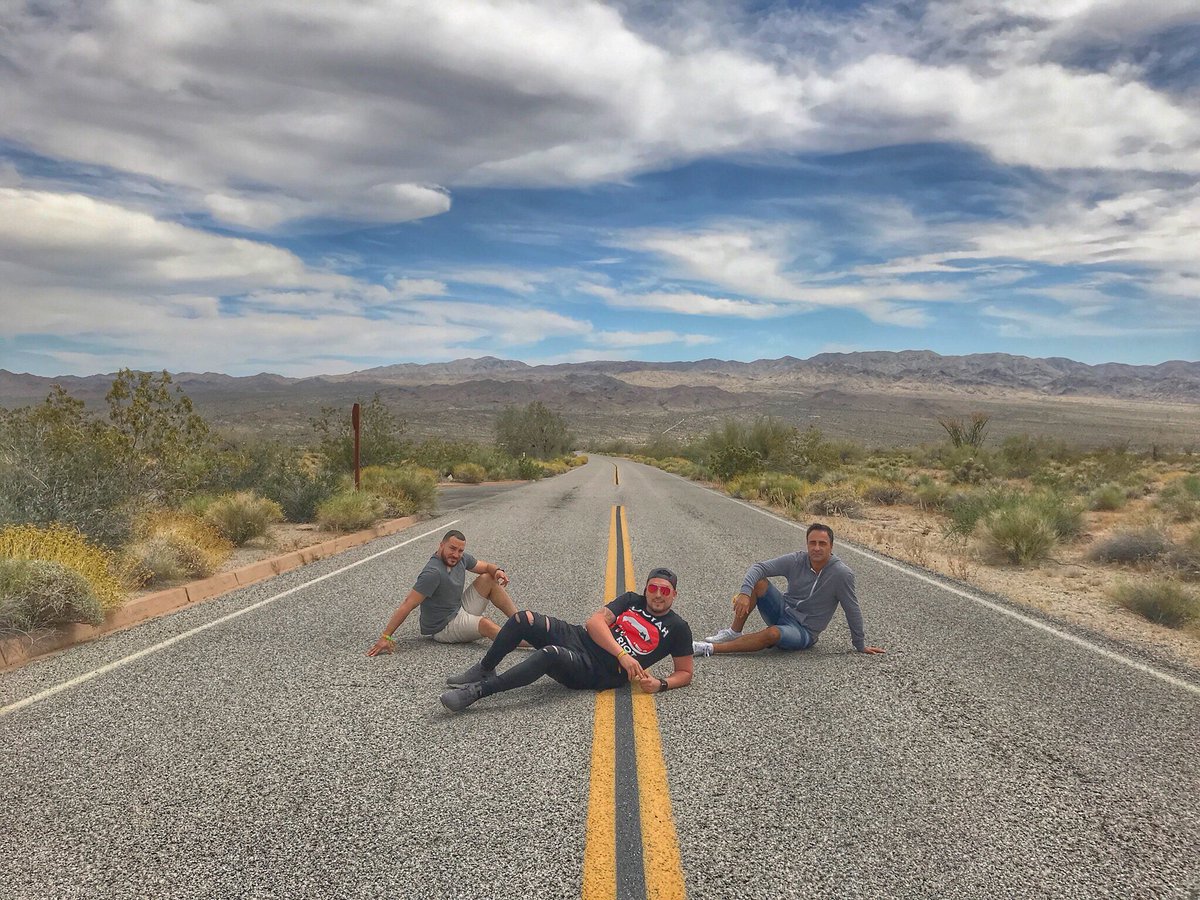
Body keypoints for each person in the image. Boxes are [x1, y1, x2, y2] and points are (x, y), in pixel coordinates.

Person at [439, 567, 694, 711]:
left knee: (549, 655)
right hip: (581, 638)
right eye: (653, 588)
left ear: (674, 594)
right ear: (646, 589)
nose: (657, 595)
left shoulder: (678, 628)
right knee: (523, 619)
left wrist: (661, 684)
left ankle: (478, 691)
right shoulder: (631, 600)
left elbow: (685, 672)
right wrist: (623, 654)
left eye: (665, 591)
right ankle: (485, 668)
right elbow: (594, 623)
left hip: (599, 670)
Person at [692, 523, 885, 657]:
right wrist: (744, 592)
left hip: (803, 631)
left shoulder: (841, 574)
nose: (817, 548)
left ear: (831, 546)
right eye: (812, 543)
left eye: (822, 544)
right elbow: (759, 567)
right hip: (782, 610)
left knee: (772, 634)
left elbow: (852, 609)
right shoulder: (797, 560)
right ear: (807, 544)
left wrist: (860, 644)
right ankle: (734, 632)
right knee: (759, 582)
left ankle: (710, 648)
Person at [366, 529, 517, 656]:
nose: (456, 554)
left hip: (458, 609)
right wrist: (386, 636)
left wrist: (497, 571)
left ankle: (521, 622)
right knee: (486, 624)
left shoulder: (461, 558)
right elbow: (408, 604)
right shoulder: (433, 573)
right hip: (443, 627)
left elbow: (486, 567)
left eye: (460, 550)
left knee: (488, 578)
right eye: (452, 548)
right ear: (441, 545)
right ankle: (527, 640)